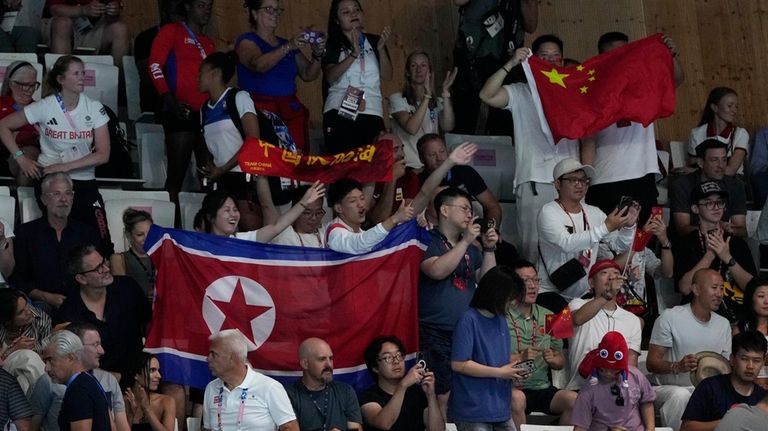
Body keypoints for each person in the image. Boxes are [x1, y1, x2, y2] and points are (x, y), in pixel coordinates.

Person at [478, 34, 580, 263]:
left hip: (572, 180)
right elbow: (487, 95)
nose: (551, 61)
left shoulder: (574, 90)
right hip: (535, 179)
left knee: (573, 247)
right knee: (533, 248)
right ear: (534, 60)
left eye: (556, 57)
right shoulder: (521, 91)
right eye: (544, 57)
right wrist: (511, 63)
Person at [0, 55, 112, 247]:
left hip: (84, 179)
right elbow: (4, 126)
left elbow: (103, 155)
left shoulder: (94, 108)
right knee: (60, 235)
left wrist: (64, 166)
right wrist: (21, 158)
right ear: (61, 79)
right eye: (76, 73)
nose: (81, 78)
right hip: (51, 178)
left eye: (83, 73)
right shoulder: (45, 106)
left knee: (101, 239)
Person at [581, 31, 684, 225]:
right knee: (607, 243)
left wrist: (671, 55)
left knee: (643, 238)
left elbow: (675, 80)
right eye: (616, 54)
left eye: (626, 51)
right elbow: (589, 140)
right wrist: (587, 179)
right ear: (603, 57)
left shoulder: (645, 81)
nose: (622, 57)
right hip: (605, 178)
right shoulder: (592, 87)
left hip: (642, 174)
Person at [418, 187, 499, 417]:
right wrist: (465, 242)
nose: (469, 214)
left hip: (464, 332)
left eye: (471, 210)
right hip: (434, 331)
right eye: (464, 208)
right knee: (440, 394)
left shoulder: (471, 248)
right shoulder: (427, 239)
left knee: (463, 394)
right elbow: (436, 270)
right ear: (444, 210)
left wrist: (488, 248)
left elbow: (487, 283)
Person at [536, 158, 636, 313]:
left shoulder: (594, 212)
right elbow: (567, 243)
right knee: (563, 332)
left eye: (584, 180)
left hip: (583, 294)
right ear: (557, 184)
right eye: (573, 180)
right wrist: (606, 227)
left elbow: (619, 245)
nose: (580, 185)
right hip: (551, 291)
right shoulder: (548, 211)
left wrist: (629, 227)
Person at [149, 0, 215, 225]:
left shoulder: (208, 43)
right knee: (176, 177)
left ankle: (207, 229)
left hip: (206, 115)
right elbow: (154, 65)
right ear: (188, 6)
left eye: (209, 6)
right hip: (180, 111)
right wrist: (169, 98)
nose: (206, 10)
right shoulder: (172, 31)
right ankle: (172, 229)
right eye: (201, 5)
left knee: (210, 177)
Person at [646, 268, 733, 430]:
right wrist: (677, 366)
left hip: (705, 391)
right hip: (668, 389)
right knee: (681, 396)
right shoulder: (671, 317)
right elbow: (652, 363)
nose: (720, 293)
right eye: (714, 288)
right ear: (696, 289)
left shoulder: (723, 324)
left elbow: (725, 368)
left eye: (722, 288)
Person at [236, 0, 324, 154]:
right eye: (269, 9)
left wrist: (317, 54)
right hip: (262, 112)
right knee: (268, 159)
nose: (275, 14)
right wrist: (289, 46)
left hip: (290, 111)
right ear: (255, 13)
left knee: (295, 161)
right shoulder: (247, 41)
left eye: (277, 10)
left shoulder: (286, 43)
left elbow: (308, 74)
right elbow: (258, 65)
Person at [12, 172, 106, 312]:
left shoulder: (87, 233)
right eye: (56, 194)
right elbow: (18, 279)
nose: (64, 199)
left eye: (68, 193)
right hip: (41, 303)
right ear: (44, 199)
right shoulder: (26, 233)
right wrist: (46, 297)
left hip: (82, 302)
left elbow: (98, 271)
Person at [449, 265, 526, 431]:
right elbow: (459, 364)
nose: (513, 303)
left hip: (500, 407)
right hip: (473, 409)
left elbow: (499, 360)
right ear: (496, 294)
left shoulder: (501, 320)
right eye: (510, 297)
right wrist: (500, 372)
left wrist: (512, 372)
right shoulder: (468, 320)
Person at [57, 244, 151, 380]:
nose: (107, 269)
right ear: (82, 279)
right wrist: (111, 378)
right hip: (99, 381)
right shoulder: (69, 312)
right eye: (98, 268)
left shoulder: (128, 288)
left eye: (104, 262)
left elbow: (149, 322)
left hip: (140, 376)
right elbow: (74, 362)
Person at [197, 50, 263, 230]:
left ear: (215, 73)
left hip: (243, 175)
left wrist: (223, 169)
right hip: (221, 179)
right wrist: (212, 167)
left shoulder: (239, 97)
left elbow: (253, 140)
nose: (198, 77)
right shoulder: (204, 110)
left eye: (201, 72)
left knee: (248, 230)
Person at [673, 181, 756, 322]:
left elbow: (753, 289)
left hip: (734, 314)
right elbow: (685, 288)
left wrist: (727, 257)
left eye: (720, 202)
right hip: (696, 314)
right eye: (709, 203)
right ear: (695, 208)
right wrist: (710, 254)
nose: (716, 207)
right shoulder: (685, 243)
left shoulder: (737, 243)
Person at [451, 0, 537, 135]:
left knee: (504, 123)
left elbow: (531, 26)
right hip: (472, 59)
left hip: (507, 61)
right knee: (465, 116)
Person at [506, 260, 577, 425]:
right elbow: (489, 360)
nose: (533, 286)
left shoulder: (552, 315)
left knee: (575, 401)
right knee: (517, 399)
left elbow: (560, 362)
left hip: (541, 387)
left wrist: (554, 359)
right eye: (525, 280)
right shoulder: (500, 316)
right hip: (509, 387)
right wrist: (520, 357)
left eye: (536, 280)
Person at [321, 0, 392, 155]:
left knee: (373, 168)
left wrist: (381, 50)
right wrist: (353, 54)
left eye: (356, 9)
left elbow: (388, 76)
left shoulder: (374, 41)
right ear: (336, 20)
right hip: (340, 110)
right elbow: (330, 77)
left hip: (373, 111)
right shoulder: (333, 43)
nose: (353, 14)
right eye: (346, 12)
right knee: (346, 167)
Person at [566, 259, 643, 390]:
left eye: (616, 273)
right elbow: (577, 319)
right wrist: (607, 295)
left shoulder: (633, 320)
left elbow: (631, 363)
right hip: (582, 388)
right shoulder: (577, 304)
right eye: (604, 273)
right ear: (591, 282)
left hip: (617, 390)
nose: (612, 277)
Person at [203, 330, 297, 431]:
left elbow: (290, 427)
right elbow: (207, 428)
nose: (208, 359)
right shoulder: (211, 388)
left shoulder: (269, 387)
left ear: (231, 357)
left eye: (214, 354)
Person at [681, 331, 767, 430]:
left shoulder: (762, 398)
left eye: (756, 361)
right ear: (732, 359)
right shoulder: (710, 387)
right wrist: (730, 422)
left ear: (763, 363)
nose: (750, 366)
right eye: (744, 359)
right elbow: (686, 428)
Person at [571, 331, 656, 431]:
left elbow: (647, 402)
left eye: (614, 369)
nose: (608, 373)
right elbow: (580, 427)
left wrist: (650, 428)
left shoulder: (636, 375)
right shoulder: (588, 391)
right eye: (604, 368)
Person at [359, 336, 444, 431]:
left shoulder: (418, 393)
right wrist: (403, 385)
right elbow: (384, 424)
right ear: (375, 368)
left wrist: (431, 395)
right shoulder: (367, 397)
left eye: (399, 355)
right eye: (388, 357)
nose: (396, 361)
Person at [389, 50, 455, 169]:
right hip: (409, 167)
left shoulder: (437, 101)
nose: (419, 70)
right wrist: (427, 96)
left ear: (430, 72)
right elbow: (412, 128)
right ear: (408, 72)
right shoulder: (398, 99)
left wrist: (445, 93)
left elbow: (448, 126)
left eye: (423, 65)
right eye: (414, 65)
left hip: (432, 167)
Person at [416, 134, 502, 226]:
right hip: (431, 233)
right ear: (422, 159)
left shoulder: (465, 172)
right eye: (432, 155)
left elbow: (492, 206)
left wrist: (491, 230)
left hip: (467, 231)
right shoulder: (416, 180)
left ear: (448, 151)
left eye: (442, 151)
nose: (439, 158)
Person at [201, 181, 325, 242]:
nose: (233, 214)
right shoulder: (196, 247)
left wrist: (304, 202)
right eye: (227, 210)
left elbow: (276, 227)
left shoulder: (244, 240)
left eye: (235, 209)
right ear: (210, 217)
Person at [670, 139, 748, 237]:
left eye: (724, 160)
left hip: (722, 243)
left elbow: (742, 231)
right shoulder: (682, 185)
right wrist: (713, 229)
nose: (721, 166)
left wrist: (729, 229)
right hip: (691, 244)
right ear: (700, 162)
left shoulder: (736, 186)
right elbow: (683, 229)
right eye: (714, 160)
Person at [285, 337, 362, 431]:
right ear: (305, 364)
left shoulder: (345, 391)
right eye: (322, 359)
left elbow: (355, 428)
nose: (329, 365)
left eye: (331, 358)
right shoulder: (289, 395)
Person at [66, 322, 131, 431]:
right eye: (95, 344)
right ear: (76, 347)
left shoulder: (108, 379)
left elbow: (122, 426)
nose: (102, 351)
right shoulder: (57, 381)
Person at [41, 330, 110, 431]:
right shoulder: (89, 381)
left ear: (70, 357)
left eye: (50, 361)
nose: (46, 368)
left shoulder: (78, 389)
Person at [43, 0, 128, 67]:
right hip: (62, 25)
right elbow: (54, 10)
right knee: (62, 24)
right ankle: (61, 80)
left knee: (120, 29)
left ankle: (118, 83)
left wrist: (113, 11)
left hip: (94, 26)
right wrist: (83, 10)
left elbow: (115, 14)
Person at [686, 87, 748, 176]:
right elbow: (692, 166)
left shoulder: (740, 133)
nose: (734, 110)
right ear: (714, 107)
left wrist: (696, 171)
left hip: (731, 182)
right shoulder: (696, 133)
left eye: (736, 107)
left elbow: (731, 170)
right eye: (730, 106)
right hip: (701, 182)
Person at [0, 61, 41, 184]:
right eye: (24, 85)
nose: (29, 90)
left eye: (33, 85)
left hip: (25, 154)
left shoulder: (40, 107)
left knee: (29, 156)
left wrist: (18, 135)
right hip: (4, 152)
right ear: (11, 84)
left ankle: (22, 201)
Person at [256, 181, 329, 248]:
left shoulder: (328, 232)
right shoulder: (283, 234)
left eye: (319, 212)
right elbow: (266, 205)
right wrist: (261, 174)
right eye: (307, 213)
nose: (314, 218)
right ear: (296, 211)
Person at [109, 209, 155, 303]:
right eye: (140, 234)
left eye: (150, 233)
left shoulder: (162, 257)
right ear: (129, 236)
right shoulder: (119, 259)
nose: (147, 239)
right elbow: (122, 293)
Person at [123, 352, 176, 431]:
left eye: (158, 370)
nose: (159, 376)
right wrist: (130, 415)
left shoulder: (167, 401)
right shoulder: (122, 401)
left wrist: (147, 409)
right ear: (136, 375)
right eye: (152, 370)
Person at [0, 289, 52, 359]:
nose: (28, 311)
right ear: (8, 320)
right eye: (21, 312)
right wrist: (13, 350)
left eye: (27, 304)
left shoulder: (41, 320)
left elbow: (47, 357)